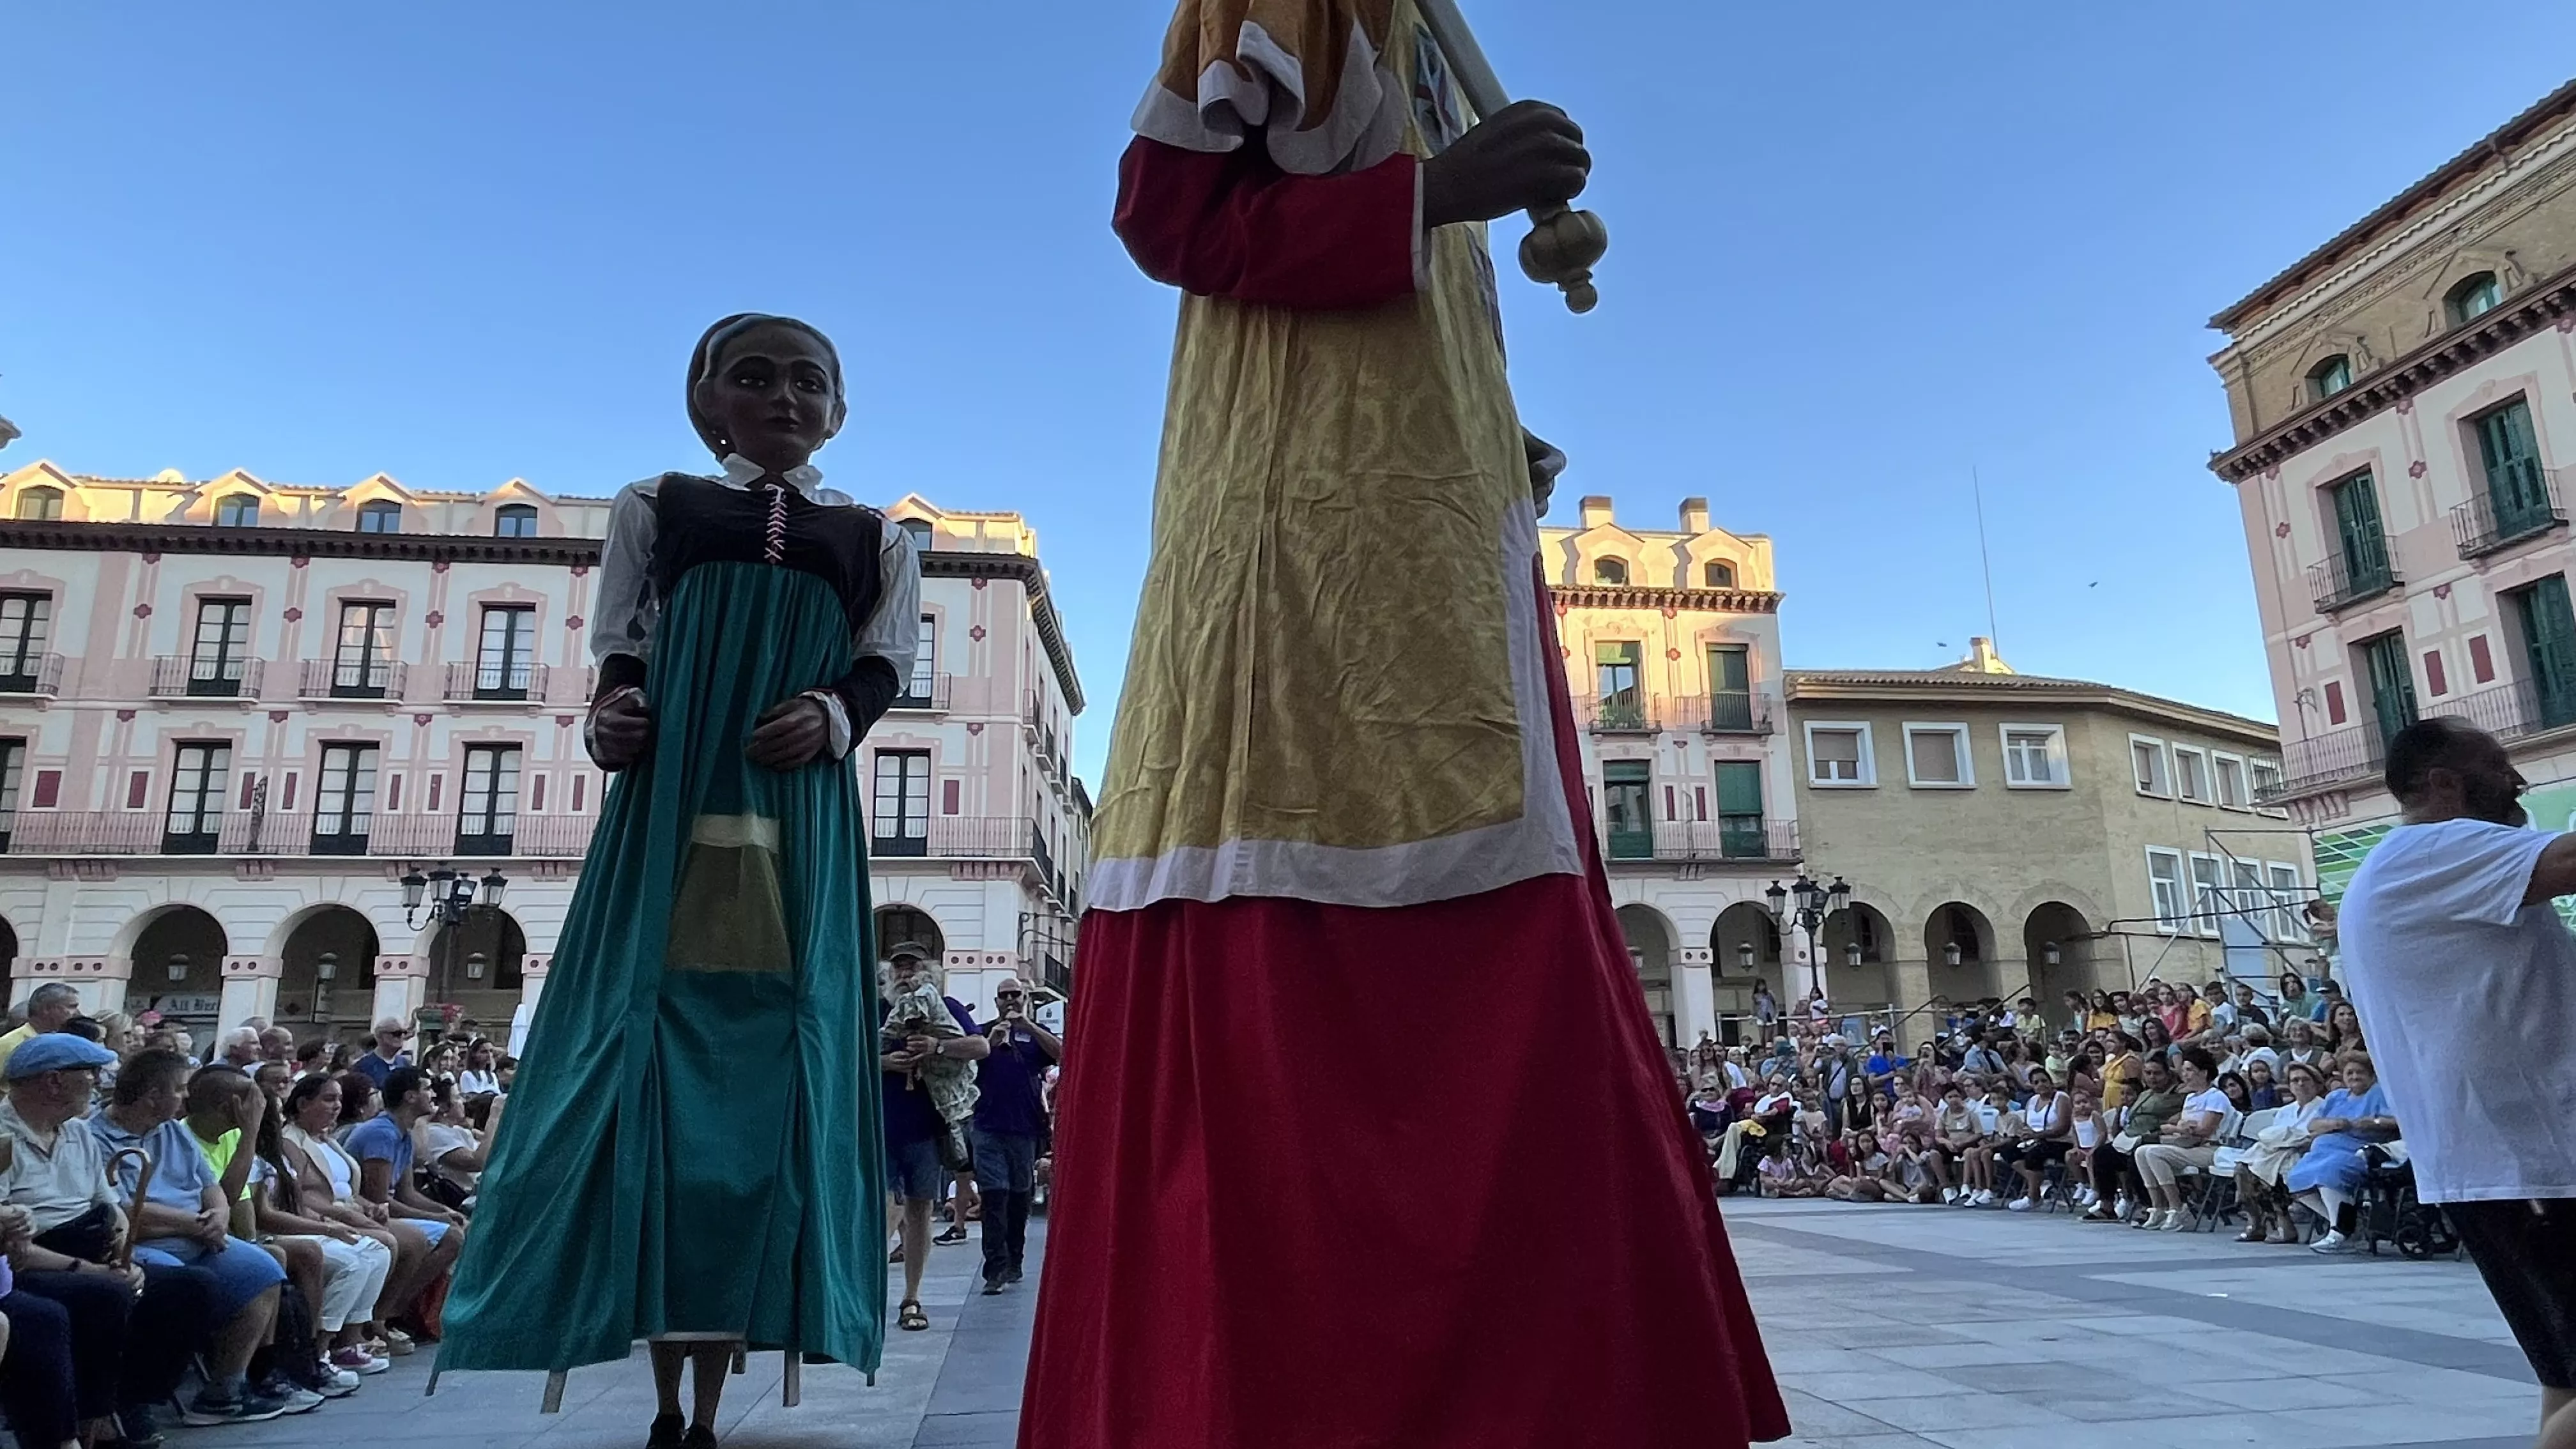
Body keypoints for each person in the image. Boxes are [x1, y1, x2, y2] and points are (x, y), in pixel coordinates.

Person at [439, 314, 920, 1449]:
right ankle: (665, 1396)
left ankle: (715, 1377)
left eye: (810, 381)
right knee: (642, 1032)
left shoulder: (874, 531)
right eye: (755, 378)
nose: (786, 398)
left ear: (839, 409)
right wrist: (612, 714)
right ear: (707, 402)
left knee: (785, 1042)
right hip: (677, 781)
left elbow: (886, 658)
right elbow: (623, 642)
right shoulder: (656, 502)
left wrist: (837, 715)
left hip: (791, 795)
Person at [2333, 718, 2576, 1446]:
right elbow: (2568, 862)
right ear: (2444, 783)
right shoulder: (2434, 848)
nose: (2518, 779)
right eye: (2498, 764)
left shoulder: (2394, 869)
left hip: (2504, 1166)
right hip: (2535, 1160)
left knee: (2565, 1380)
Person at [82, 1047, 301, 1423]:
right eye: (180, 1089)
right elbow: (119, 1208)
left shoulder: (171, 1132)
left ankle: (225, 1388)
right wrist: (196, 1222)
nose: (186, 1097)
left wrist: (218, 1213)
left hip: (197, 1233)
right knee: (178, 1287)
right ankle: (137, 1398)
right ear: (154, 1095)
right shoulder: (95, 1138)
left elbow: (210, 1186)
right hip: (143, 1245)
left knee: (262, 1271)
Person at [880, 952, 988, 1326]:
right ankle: (867, 1297)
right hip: (878, 1127)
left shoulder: (947, 1008)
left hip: (926, 1130)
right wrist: (886, 1062)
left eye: (914, 968)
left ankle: (912, 1299)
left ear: (931, 974)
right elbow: (843, 1052)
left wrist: (936, 1047)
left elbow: (980, 1047)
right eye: (899, 968)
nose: (906, 975)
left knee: (920, 1209)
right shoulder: (877, 1009)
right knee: (880, 1209)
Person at [970, 979, 1059, 1297]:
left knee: (1020, 1196)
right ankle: (995, 1269)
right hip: (987, 1127)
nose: (1009, 1000)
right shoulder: (982, 1033)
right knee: (994, 1196)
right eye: (1004, 995)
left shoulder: (1032, 1037)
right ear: (996, 1001)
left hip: (1023, 1129)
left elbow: (1063, 1054)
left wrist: (1030, 1027)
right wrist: (990, 1043)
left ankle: (1015, 1260)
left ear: (1024, 999)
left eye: (1015, 995)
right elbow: (964, 1063)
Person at [2284, 1052, 2398, 1254]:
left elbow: (2397, 1122)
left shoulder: (2380, 1094)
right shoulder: (2336, 1097)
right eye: (2350, 1073)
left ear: (2372, 1075)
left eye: (2360, 1073)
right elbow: (2313, 1124)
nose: (2354, 1077)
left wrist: (2373, 1122)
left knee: (2328, 1172)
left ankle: (2339, 1232)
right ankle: (2345, 1225)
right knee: (2296, 1178)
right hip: (2323, 1151)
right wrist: (2334, 1123)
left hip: (2362, 1151)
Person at [345, 1068, 468, 1246]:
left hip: (385, 1211)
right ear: (410, 1097)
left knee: (459, 1225)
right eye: (427, 1089)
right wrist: (436, 1217)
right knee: (451, 1237)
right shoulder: (382, 1134)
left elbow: (408, 1194)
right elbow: (378, 1199)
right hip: (366, 1213)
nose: (433, 1094)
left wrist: (445, 1211)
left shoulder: (404, 1134)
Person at [2233, 1057, 2331, 1245]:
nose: (2300, 1084)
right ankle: (2256, 1222)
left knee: (2272, 1169)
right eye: (2295, 1080)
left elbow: (2318, 1135)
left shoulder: (2325, 1107)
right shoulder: (2285, 1111)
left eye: (2305, 1079)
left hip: (2307, 1152)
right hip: (2278, 1152)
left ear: (2317, 1084)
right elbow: (2275, 1137)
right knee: (2243, 1168)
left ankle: (2283, 1224)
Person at [1996, 1068, 2073, 1211]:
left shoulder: (2061, 1098)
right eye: (2036, 1082)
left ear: (2051, 1082)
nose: (2040, 1085)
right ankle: (2040, 1183)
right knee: (2007, 1151)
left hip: (2058, 1141)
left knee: (2034, 1155)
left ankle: (2033, 1196)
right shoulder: (2032, 1101)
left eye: (2044, 1081)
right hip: (2034, 1140)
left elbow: (2063, 1127)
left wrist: (2038, 1135)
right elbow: (2026, 1123)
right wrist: (2025, 1133)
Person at [0, 985, 80, 1074]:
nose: (76, 1013)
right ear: (47, 1009)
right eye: (71, 1007)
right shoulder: (8, 1044)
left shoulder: (70, 1042)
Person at [348, 1019, 411, 1090]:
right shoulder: (363, 1066)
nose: (402, 1037)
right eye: (397, 1033)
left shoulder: (405, 1063)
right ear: (380, 1036)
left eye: (404, 1033)